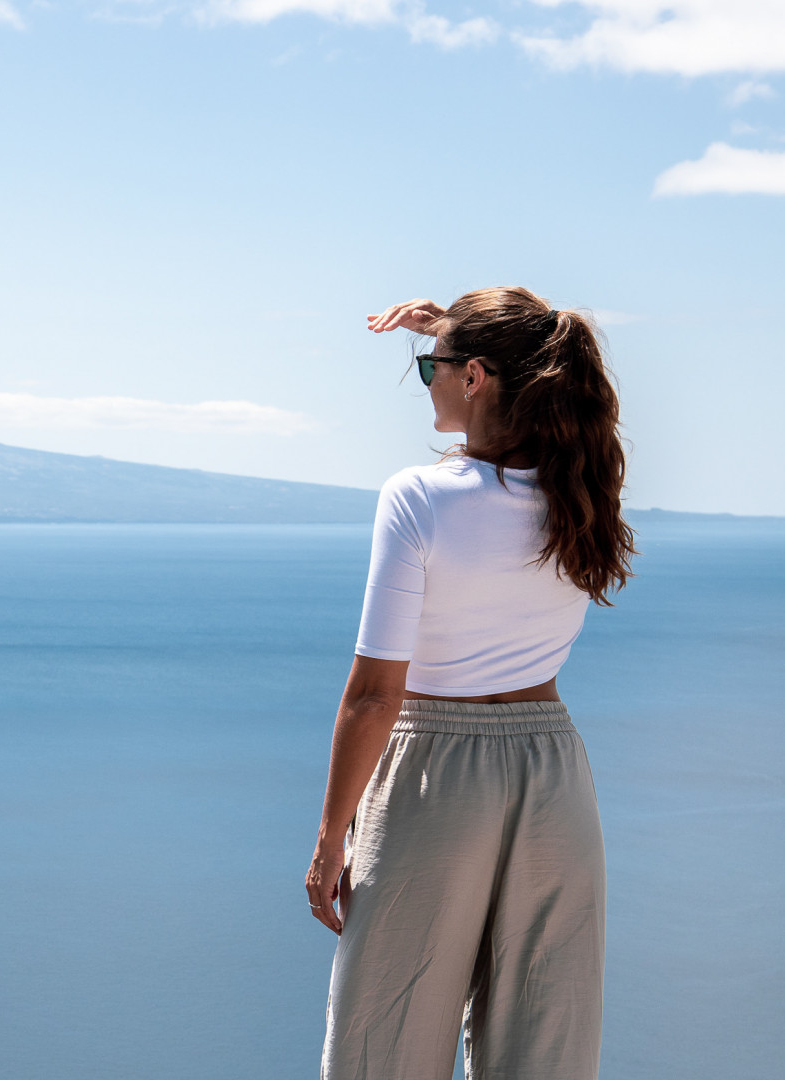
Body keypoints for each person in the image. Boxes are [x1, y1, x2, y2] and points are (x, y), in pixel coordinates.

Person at [305, 287, 637, 1080]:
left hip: (435, 776)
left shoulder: (417, 498)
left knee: (385, 1040)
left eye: (434, 368)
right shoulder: (582, 494)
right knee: (546, 1042)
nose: (428, 380)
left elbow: (375, 695)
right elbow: (534, 345)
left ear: (477, 378)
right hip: (554, 775)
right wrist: (448, 335)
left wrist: (329, 840)